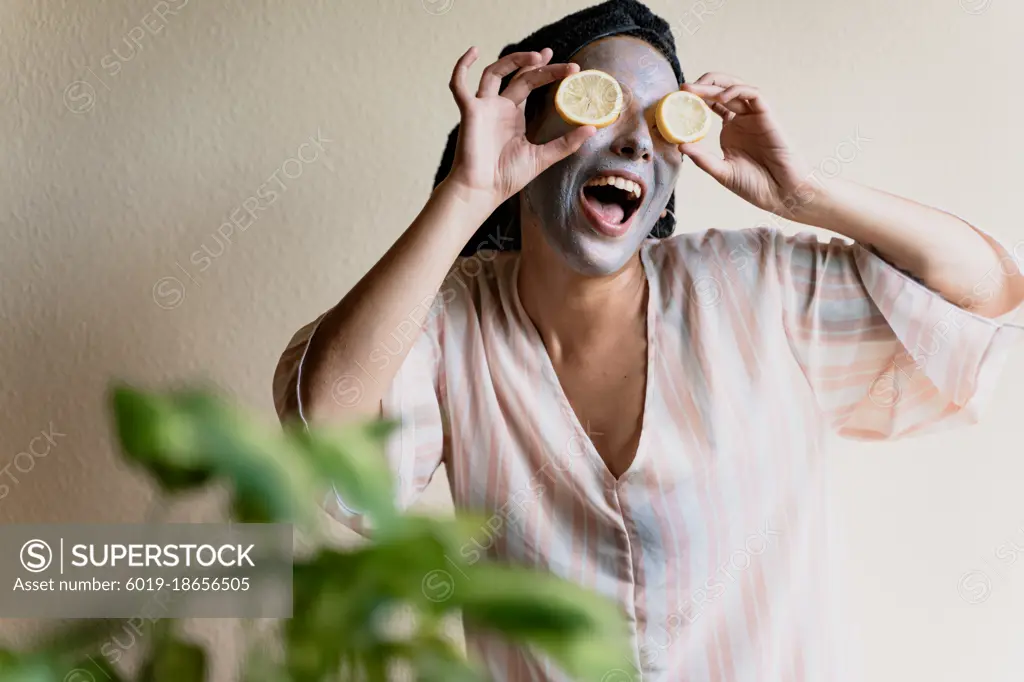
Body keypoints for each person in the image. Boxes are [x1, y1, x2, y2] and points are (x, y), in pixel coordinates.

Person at [273, 1, 1024, 679]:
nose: (637, 142)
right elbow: (327, 429)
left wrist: (805, 195)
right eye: (604, 108)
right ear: (527, 132)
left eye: (665, 120)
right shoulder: (451, 327)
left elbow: (982, 294)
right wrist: (466, 195)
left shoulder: (756, 285)